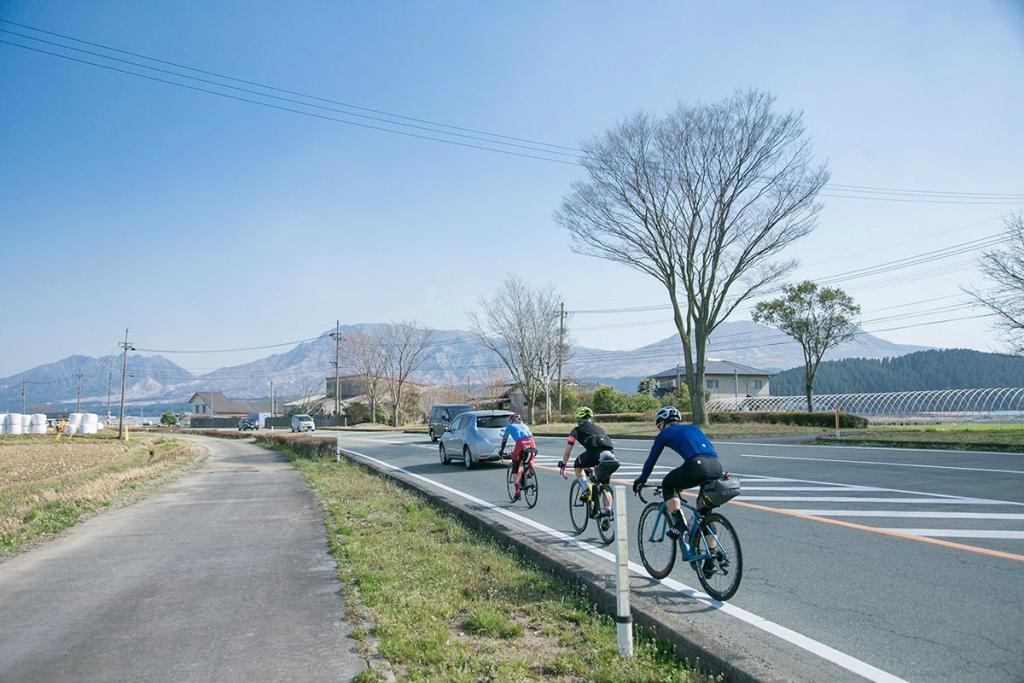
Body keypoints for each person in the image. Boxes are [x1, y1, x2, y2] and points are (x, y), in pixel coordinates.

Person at [632, 406, 722, 574]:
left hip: (696, 465)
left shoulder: (665, 433)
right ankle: (711, 557)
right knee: (704, 515)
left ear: (663, 423)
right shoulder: (694, 428)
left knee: (668, 484)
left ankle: (679, 524)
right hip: (716, 467)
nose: (659, 429)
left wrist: (641, 480)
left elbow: (651, 459)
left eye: (659, 426)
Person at [557, 406, 614, 516]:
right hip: (610, 455)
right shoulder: (599, 428)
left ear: (579, 420)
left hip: (594, 454)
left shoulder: (576, 430)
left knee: (577, 464)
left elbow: (568, 450)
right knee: (605, 485)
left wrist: (563, 464)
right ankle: (608, 510)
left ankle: (585, 488)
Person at [500, 413, 536, 502]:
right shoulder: (525, 425)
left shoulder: (509, 426)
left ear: (511, 420)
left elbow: (504, 440)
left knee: (516, 465)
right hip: (532, 442)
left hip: (520, 443)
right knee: (530, 459)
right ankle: (529, 470)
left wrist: (501, 451)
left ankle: (517, 492)